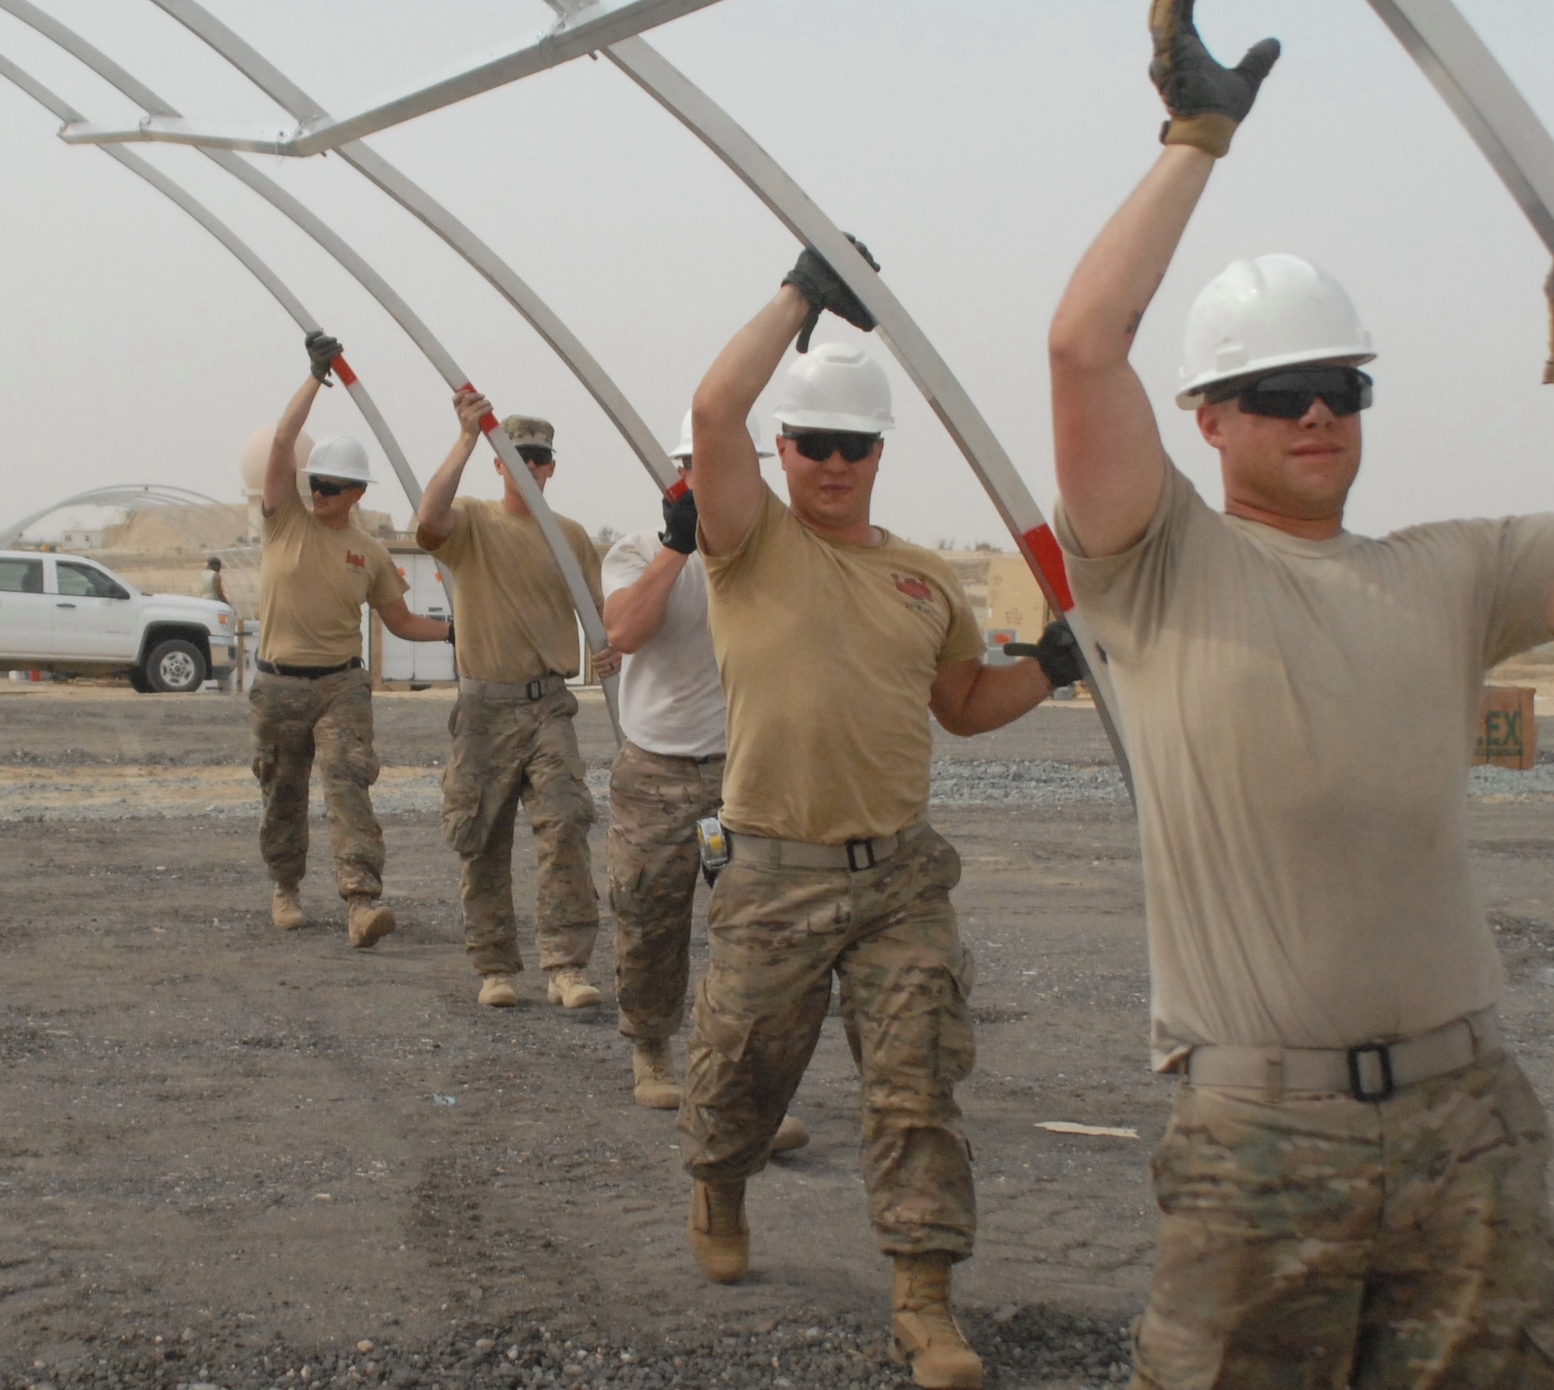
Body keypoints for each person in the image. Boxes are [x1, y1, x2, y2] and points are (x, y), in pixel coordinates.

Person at [1045, 5, 1554, 1387]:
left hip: (1466, 1116)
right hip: (1259, 1139)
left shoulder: (1451, 572)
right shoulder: (1160, 568)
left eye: (1340, 386)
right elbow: (1083, 348)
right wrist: (1194, 142)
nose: (1317, 415)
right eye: (1276, 390)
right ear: (1208, 418)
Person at [682, 241, 1085, 1390]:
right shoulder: (747, 543)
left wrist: (1049, 666)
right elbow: (713, 403)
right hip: (770, 870)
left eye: (854, 445)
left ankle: (923, 1301)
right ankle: (716, 1176)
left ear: (877, 453)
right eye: (811, 443)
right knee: (739, 1077)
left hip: (898, 878)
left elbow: (962, 705)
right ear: (783, 449)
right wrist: (800, 294)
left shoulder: (921, 580)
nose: (832, 463)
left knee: (916, 1086)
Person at [600, 413, 814, 1167]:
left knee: (750, 932)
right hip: (657, 774)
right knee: (650, 916)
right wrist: (675, 548)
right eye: (698, 469)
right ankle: (651, 1052)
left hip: (740, 776)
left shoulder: (772, 557)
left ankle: (737, 1086)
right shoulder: (637, 551)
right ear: (678, 478)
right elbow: (623, 633)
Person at [415, 394, 612, 1011]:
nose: (528, 466)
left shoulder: (572, 538)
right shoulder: (472, 521)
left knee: (565, 828)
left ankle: (567, 966)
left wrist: (615, 649)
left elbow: (603, 618)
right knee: (482, 835)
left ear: (552, 465)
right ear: (499, 465)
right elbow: (427, 522)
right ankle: (495, 966)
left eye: (538, 457)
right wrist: (468, 437)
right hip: (483, 710)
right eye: (516, 456)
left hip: (548, 706)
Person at [253, 332, 449, 946]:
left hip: (341, 686)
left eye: (334, 486)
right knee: (282, 793)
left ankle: (361, 903)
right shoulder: (284, 519)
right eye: (317, 483)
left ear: (359, 493)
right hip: (278, 683)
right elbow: (284, 443)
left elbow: (402, 623)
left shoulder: (369, 553)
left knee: (348, 786)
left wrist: (459, 632)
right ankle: (286, 887)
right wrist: (315, 376)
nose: (321, 493)